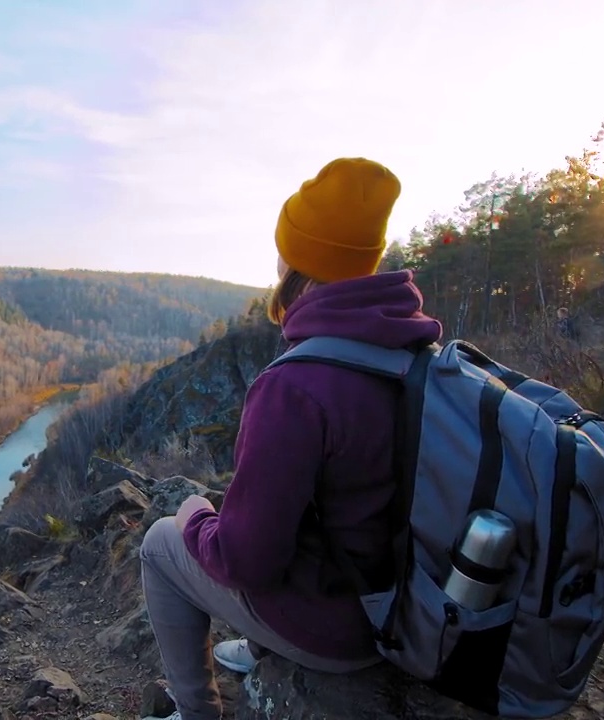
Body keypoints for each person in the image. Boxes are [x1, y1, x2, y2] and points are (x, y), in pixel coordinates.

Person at [138, 157, 444, 720]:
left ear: (298, 261)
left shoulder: (296, 387)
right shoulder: (413, 354)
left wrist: (194, 518)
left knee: (161, 543)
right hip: (414, 603)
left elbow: (245, 560)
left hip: (346, 630)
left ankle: (195, 712)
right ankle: (262, 648)